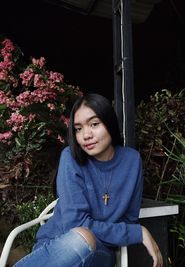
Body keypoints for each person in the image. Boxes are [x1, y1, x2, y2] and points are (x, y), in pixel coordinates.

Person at [14, 93, 163, 267]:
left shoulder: (132, 160)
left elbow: (129, 219)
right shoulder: (70, 158)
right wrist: (139, 232)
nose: (86, 135)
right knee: (80, 238)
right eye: (78, 128)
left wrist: (134, 230)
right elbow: (75, 223)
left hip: (100, 254)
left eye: (94, 124)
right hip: (57, 247)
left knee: (84, 238)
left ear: (109, 123)